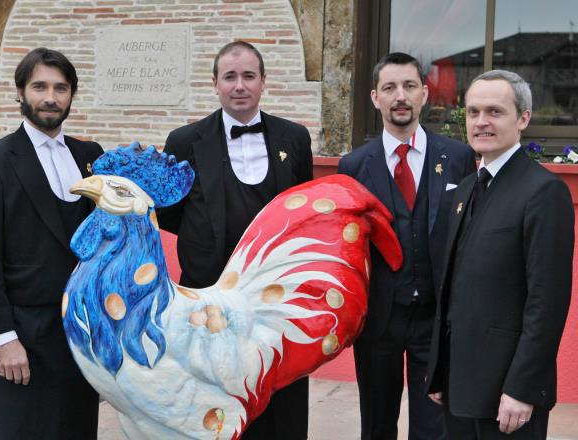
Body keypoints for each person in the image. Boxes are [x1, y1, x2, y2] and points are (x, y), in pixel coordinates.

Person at [158, 41, 313, 439]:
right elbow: (171, 215)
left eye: (248, 76)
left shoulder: (294, 138)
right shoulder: (184, 141)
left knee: (281, 404)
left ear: (264, 82)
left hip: (277, 302)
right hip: (208, 302)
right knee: (214, 405)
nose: (239, 85)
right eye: (230, 77)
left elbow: (305, 212)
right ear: (215, 84)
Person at [0, 47, 102, 440]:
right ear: (20, 93)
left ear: (72, 94)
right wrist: (2, 338)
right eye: (39, 86)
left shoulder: (90, 156)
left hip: (78, 331)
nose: (51, 97)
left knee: (74, 429)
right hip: (20, 332)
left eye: (61, 87)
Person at [426, 70, 574, 439]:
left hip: (508, 395)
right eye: (473, 112)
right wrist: (441, 370)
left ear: (523, 118)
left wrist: (523, 388)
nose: (481, 122)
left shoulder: (543, 192)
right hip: (460, 386)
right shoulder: (463, 191)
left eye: (494, 111)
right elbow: (454, 288)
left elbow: (547, 302)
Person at [338, 52, 476, 440]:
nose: (400, 96)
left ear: (425, 94)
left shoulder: (459, 157)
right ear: (374, 97)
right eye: (390, 88)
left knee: (433, 428)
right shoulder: (353, 165)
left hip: (434, 320)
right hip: (379, 319)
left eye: (409, 86)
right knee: (377, 424)